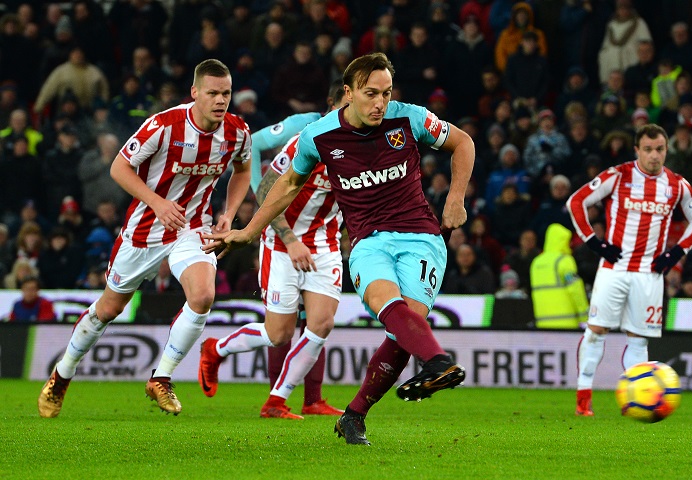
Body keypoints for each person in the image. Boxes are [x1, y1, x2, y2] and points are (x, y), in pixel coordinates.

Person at [201, 53, 474, 445]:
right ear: (348, 94)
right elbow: (286, 184)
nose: (380, 103)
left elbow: (462, 142)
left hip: (421, 237)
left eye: (386, 93)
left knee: (403, 331)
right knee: (385, 308)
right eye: (370, 94)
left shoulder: (409, 118)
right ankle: (438, 360)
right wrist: (249, 230)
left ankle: (354, 415)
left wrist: (456, 197)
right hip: (367, 242)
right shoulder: (318, 135)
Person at [37, 59, 253, 418]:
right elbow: (119, 167)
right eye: (213, 93)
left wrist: (229, 213)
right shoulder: (164, 125)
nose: (220, 100)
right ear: (195, 93)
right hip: (145, 229)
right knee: (109, 309)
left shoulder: (237, 131)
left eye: (226, 93)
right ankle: (62, 374)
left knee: (203, 296)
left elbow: (243, 170)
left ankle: (161, 377)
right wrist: (157, 202)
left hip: (193, 227)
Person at [197, 83, 348, 420]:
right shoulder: (304, 137)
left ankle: (284, 401)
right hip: (282, 243)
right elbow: (266, 188)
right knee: (278, 333)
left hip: (325, 245)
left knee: (320, 323)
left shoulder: (364, 147)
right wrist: (287, 236)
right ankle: (216, 349)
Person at [567, 123, 692, 417]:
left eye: (659, 150)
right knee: (596, 332)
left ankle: (636, 398)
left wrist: (677, 253)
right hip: (613, 268)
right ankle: (583, 398)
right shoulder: (619, 176)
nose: (654, 156)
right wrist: (595, 243)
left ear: (667, 150)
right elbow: (577, 201)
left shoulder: (677, 184)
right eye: (648, 150)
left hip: (650, 274)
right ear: (637, 151)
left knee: (638, 338)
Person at [529, 223, 588, 329]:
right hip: (567, 324)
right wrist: (584, 318)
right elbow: (575, 289)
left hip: (542, 323)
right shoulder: (564, 261)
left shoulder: (536, 263)